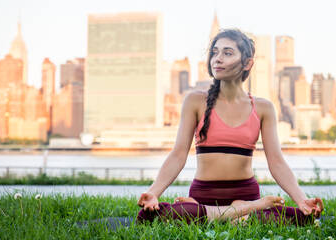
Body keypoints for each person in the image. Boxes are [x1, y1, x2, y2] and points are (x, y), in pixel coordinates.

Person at [137, 29, 323, 225]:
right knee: (146, 216)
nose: (217, 59)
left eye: (227, 53)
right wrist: (153, 192)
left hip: (245, 193)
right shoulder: (195, 100)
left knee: (304, 219)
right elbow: (178, 155)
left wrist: (302, 200)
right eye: (215, 53)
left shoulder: (263, 108)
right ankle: (242, 212)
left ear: (247, 63)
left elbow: (276, 162)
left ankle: (221, 214)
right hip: (204, 195)